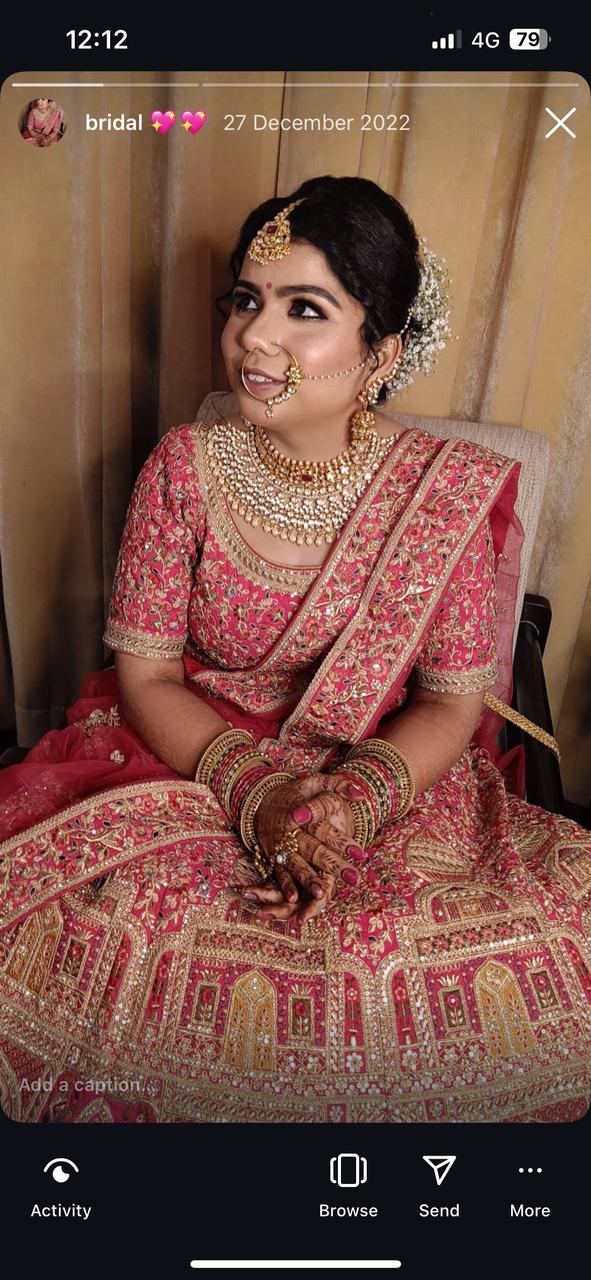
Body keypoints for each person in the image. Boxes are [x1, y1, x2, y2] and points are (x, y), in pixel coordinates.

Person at [0, 176, 590, 1125]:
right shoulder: (184, 467)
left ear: (380, 352)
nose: (254, 338)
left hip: (385, 771)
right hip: (190, 758)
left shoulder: (442, 493)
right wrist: (255, 792)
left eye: (304, 309)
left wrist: (347, 805)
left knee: (491, 950)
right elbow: (146, 673)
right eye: (246, 300)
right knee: (109, 933)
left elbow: (449, 703)